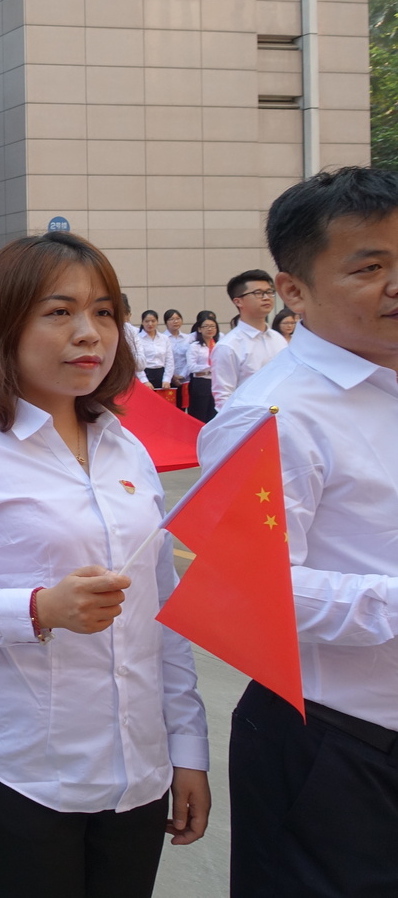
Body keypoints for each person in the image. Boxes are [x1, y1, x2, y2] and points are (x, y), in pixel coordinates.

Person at [0, 231, 209, 897]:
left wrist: (187, 747)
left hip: (136, 775)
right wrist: (35, 610)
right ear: (3, 326)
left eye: (104, 312)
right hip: (15, 772)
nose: (89, 333)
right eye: (60, 312)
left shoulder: (128, 452)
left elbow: (163, 618)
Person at [194, 167, 398, 897]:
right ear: (294, 290)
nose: (395, 284)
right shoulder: (272, 416)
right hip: (339, 745)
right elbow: (243, 592)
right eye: (369, 268)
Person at [210, 269, 287, 408]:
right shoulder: (228, 346)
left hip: (284, 414)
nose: (266, 297)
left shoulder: (278, 339)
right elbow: (224, 398)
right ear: (238, 301)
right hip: (251, 417)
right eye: (258, 293)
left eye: (269, 292)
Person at [182, 316, 219, 422]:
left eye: (212, 326)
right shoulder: (195, 346)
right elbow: (192, 367)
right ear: (199, 329)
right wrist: (210, 369)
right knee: (199, 414)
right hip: (201, 383)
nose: (209, 329)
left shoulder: (219, 346)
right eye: (206, 326)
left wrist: (207, 370)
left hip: (216, 383)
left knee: (213, 415)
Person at [135, 310, 173, 389]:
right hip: (145, 373)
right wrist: (144, 381)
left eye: (153, 321)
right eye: (147, 321)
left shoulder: (164, 338)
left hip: (161, 374)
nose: (150, 324)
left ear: (157, 322)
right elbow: (136, 362)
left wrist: (167, 379)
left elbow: (169, 360)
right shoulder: (137, 338)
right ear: (142, 322)